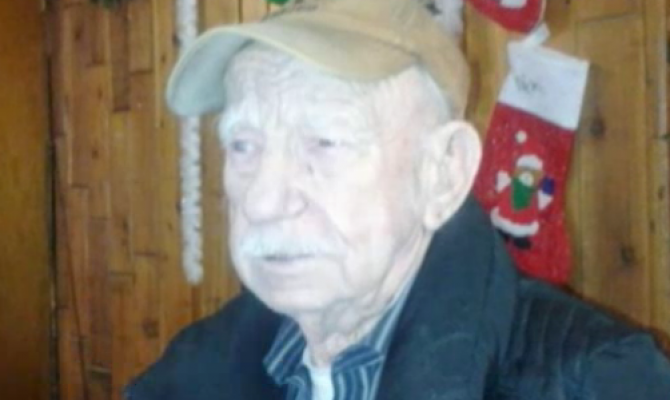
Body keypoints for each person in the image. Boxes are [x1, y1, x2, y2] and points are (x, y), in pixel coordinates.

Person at [125, 0, 670, 398]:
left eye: (325, 142)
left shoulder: (595, 380)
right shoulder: (189, 372)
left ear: (443, 176)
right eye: (243, 145)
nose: (262, 202)